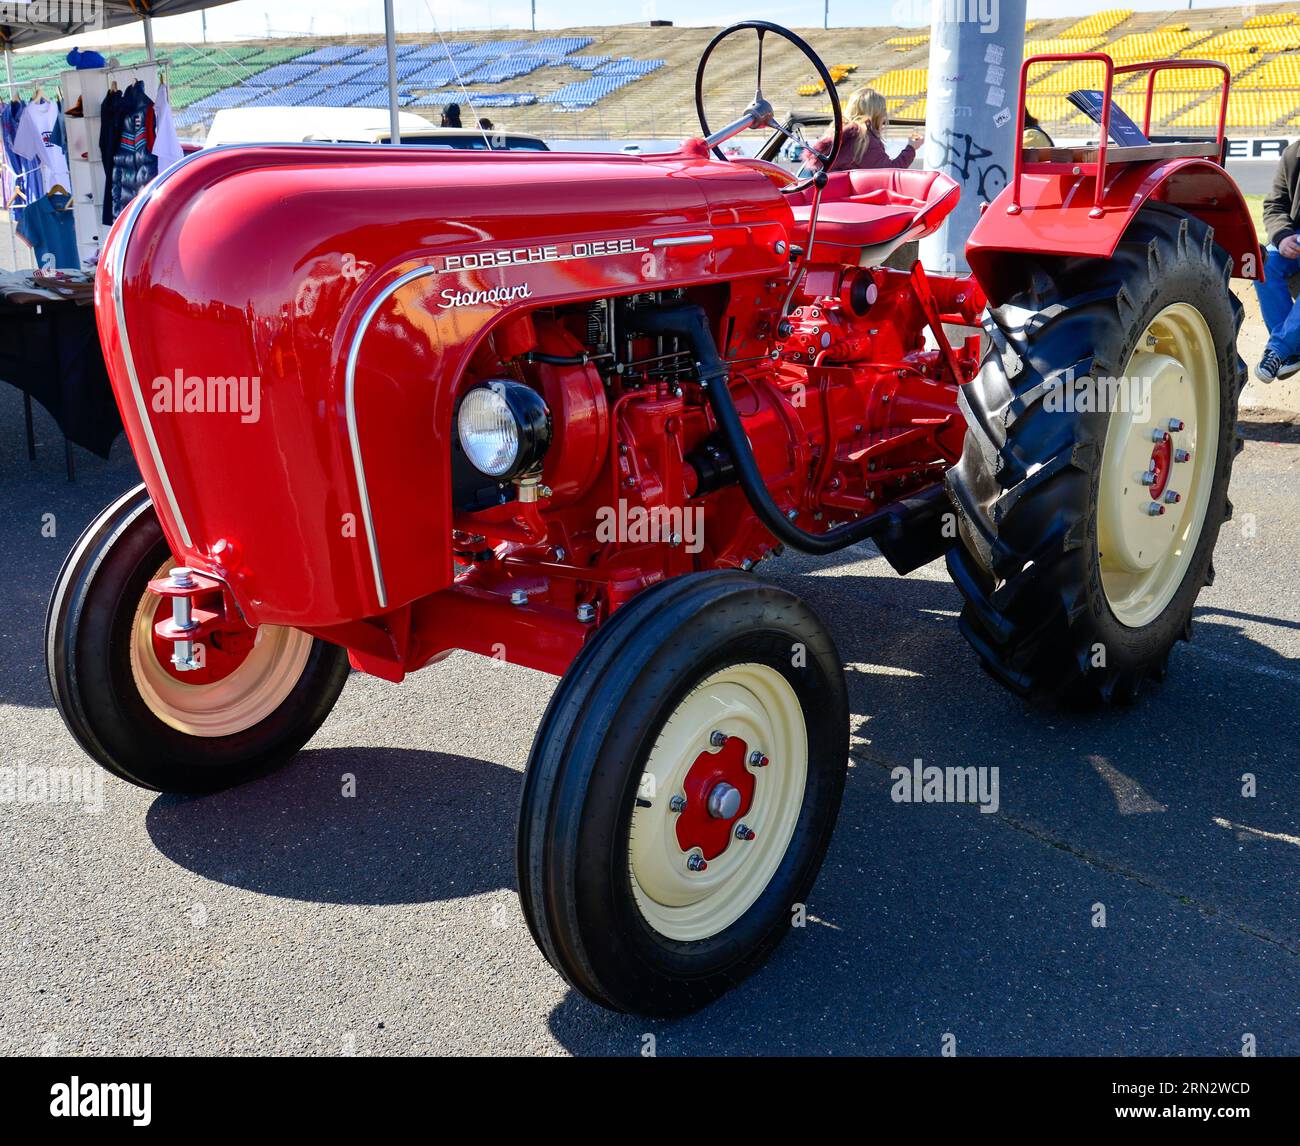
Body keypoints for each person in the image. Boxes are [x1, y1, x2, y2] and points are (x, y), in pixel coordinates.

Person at [1254, 138, 1300, 382]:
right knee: (1263, 264)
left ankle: (1279, 350)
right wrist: (1282, 237)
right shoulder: (1293, 154)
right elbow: (1275, 205)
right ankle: (1292, 355)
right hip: (1294, 239)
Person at [808, 86, 923, 172]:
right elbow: (888, 172)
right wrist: (911, 148)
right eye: (883, 110)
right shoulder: (863, 139)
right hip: (853, 202)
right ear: (876, 113)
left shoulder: (835, 132)